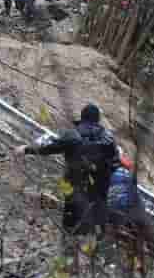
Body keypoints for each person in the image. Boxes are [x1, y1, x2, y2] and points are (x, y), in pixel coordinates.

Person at [15, 103, 120, 240]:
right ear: (97, 120)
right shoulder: (110, 140)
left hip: (76, 189)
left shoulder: (74, 135)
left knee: (70, 231)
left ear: (82, 118)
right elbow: (116, 163)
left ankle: (70, 247)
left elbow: (49, 148)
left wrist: (26, 149)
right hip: (98, 194)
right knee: (94, 234)